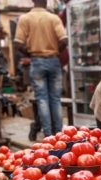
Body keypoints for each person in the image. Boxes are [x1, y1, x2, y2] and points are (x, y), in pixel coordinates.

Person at [14, 0, 68, 138]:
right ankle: (59, 134)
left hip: (37, 61)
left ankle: (48, 135)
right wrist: (55, 51)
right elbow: (64, 40)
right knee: (55, 99)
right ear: (46, 2)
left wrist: (31, 54)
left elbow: (18, 44)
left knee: (42, 99)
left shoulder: (25, 19)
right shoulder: (53, 18)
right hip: (53, 61)